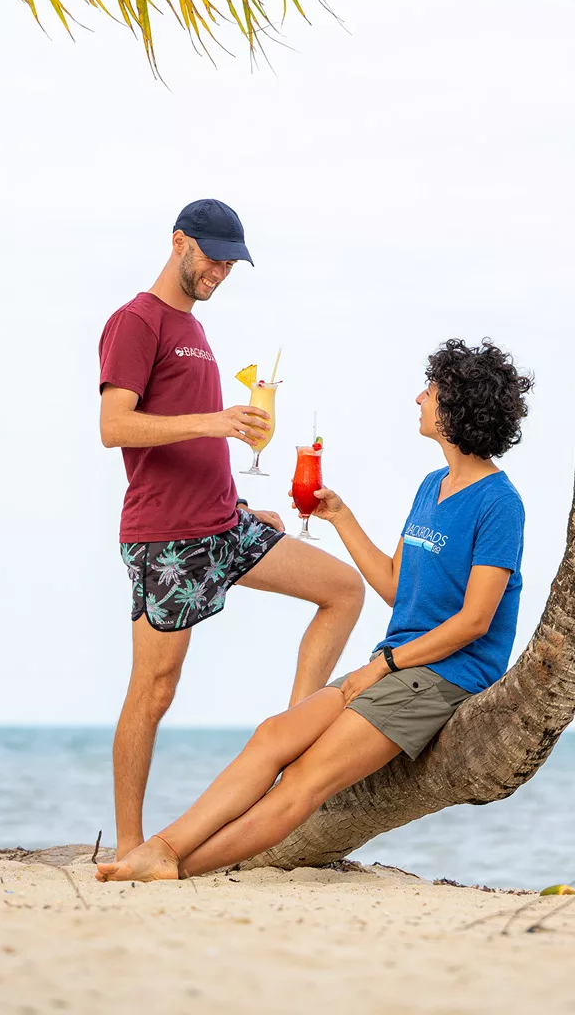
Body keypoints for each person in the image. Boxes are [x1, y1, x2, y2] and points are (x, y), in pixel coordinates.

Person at [97, 337, 530, 884]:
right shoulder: (433, 485)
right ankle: (162, 847)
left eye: (432, 391)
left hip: (443, 675)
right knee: (271, 737)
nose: (419, 398)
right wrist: (342, 517)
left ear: (459, 408)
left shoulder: (499, 503)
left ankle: (178, 868)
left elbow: (474, 622)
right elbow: (396, 588)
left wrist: (384, 667)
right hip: (397, 664)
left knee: (304, 781)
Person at [99, 198, 365, 861]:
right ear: (179, 243)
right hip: (166, 536)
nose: (220, 270)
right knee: (153, 690)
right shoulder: (135, 321)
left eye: (229, 262)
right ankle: (130, 845)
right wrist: (215, 421)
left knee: (343, 590)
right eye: (212, 256)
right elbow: (115, 427)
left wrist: (242, 507)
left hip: (225, 524)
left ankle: (290, 735)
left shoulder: (193, 327)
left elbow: (194, 439)